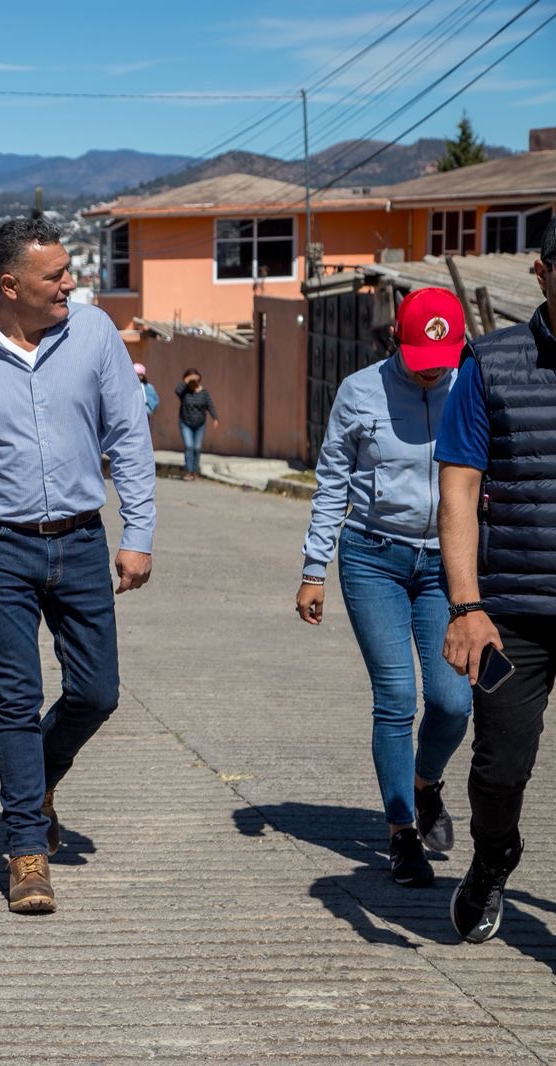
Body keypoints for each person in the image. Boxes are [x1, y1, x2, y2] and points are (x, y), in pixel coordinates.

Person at [0, 217, 155, 916]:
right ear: (10, 284)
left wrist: (138, 531)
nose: (71, 283)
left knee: (98, 692)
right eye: (56, 275)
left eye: (68, 270)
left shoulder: (95, 333)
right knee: (15, 698)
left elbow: (128, 435)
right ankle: (25, 847)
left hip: (80, 540)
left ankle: (38, 777)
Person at [295, 287, 472, 887]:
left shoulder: (469, 385)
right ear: (397, 340)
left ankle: (426, 782)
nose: (431, 374)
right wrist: (313, 569)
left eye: (441, 364)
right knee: (396, 697)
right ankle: (401, 832)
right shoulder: (359, 391)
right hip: (374, 559)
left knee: (453, 700)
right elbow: (332, 481)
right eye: (421, 362)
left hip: (447, 565)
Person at [436, 218, 556, 945]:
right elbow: (458, 490)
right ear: (542, 273)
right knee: (499, 770)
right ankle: (492, 858)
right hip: (511, 611)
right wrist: (467, 606)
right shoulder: (490, 363)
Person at [175, 368, 220, 480]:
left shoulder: (203, 393)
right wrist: (187, 380)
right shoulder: (184, 392)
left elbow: (210, 405)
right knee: (189, 446)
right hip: (185, 423)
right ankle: (188, 471)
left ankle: (195, 471)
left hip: (200, 425)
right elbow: (177, 390)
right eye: (190, 381)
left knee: (197, 447)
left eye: (194, 381)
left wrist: (215, 418)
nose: (192, 383)